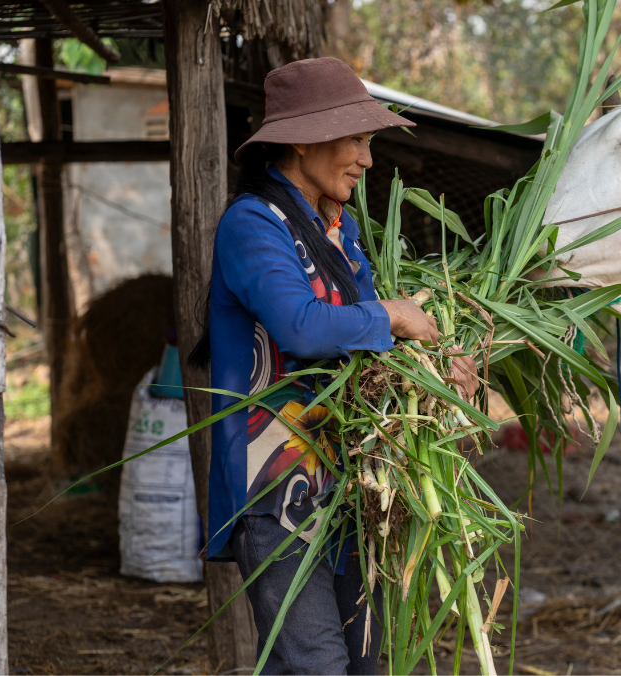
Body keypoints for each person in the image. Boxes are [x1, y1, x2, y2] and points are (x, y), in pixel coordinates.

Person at [190, 57, 478, 674]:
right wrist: (394, 316)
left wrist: (439, 365)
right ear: (302, 138)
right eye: (356, 140)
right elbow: (300, 325)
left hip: (350, 487)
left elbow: (376, 342)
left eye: (367, 143)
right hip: (275, 491)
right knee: (316, 665)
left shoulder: (341, 234)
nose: (367, 160)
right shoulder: (252, 224)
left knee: (363, 663)